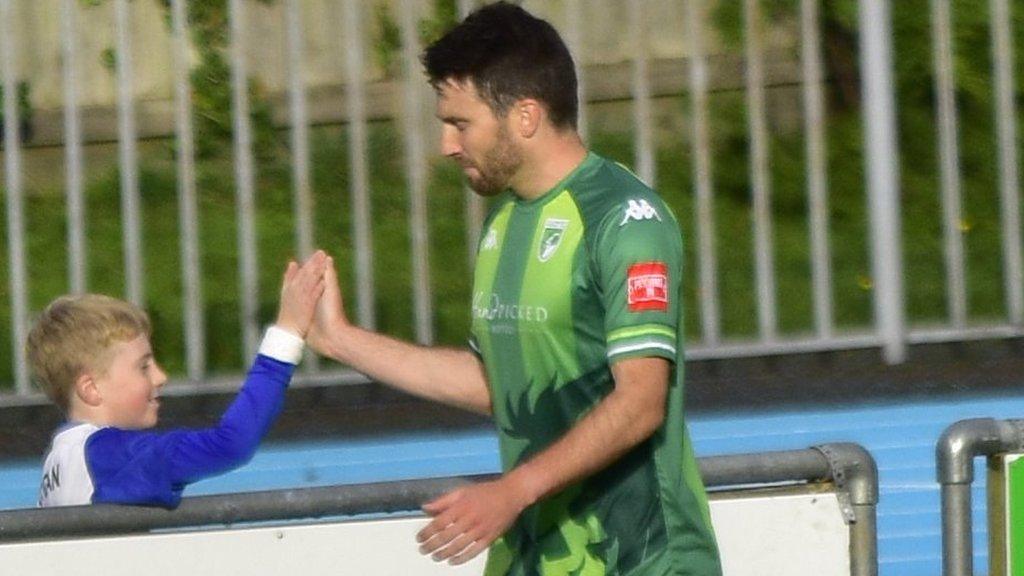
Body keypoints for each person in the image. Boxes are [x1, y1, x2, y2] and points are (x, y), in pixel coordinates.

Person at [308, 2, 721, 574]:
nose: (447, 146)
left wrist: (511, 491)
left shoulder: (625, 222)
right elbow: (497, 385)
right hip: (538, 557)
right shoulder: (503, 226)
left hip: (641, 559)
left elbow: (641, 402)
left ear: (525, 115)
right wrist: (342, 340)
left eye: (460, 124)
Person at [31, 251, 327, 508]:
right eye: (143, 367)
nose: (161, 376)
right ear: (91, 389)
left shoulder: (60, 461)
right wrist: (287, 332)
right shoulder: (109, 456)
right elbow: (230, 444)